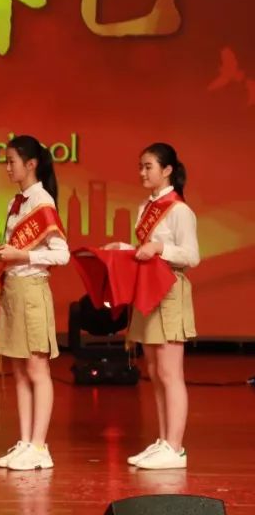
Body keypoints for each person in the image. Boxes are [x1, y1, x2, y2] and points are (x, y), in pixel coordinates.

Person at [107, 143, 198, 470]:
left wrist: (160, 248)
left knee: (171, 373)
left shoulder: (179, 210)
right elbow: (144, 249)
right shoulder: (145, 206)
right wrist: (124, 248)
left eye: (148, 167)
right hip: (148, 290)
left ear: (167, 170)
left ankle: (176, 447)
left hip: (169, 290)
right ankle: (164, 440)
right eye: (141, 166)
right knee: (156, 372)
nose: (142, 173)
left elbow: (191, 256)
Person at [0, 135, 69, 472]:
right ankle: (25, 442)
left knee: (37, 369)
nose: (7, 168)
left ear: (31, 164)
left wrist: (21, 255)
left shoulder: (42, 202)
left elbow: (61, 254)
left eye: (12, 161)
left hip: (33, 291)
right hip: (14, 289)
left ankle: (39, 447)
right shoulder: (16, 201)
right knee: (20, 371)